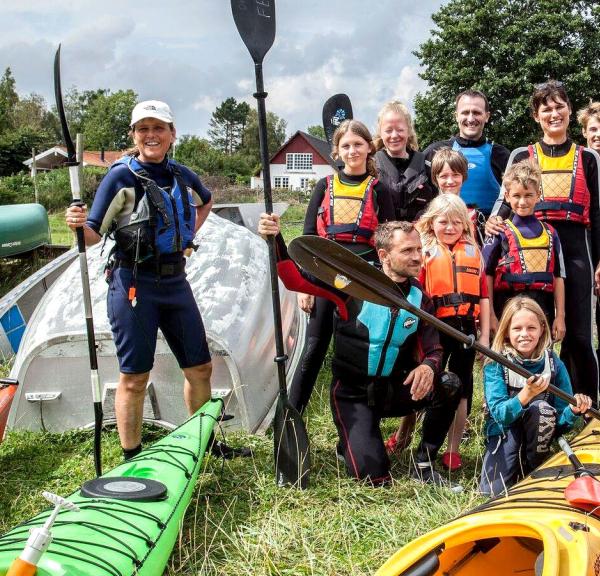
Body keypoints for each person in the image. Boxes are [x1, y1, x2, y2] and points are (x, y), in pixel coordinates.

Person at [66, 100, 248, 460]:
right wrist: (76, 223)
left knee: (200, 367)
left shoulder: (182, 175)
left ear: (171, 134)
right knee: (134, 377)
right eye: (143, 128)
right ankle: (132, 456)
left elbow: (206, 202)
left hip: (176, 282)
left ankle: (203, 442)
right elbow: (92, 234)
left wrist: (187, 237)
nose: (151, 135)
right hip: (133, 284)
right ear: (134, 135)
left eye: (158, 128)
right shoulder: (121, 177)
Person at [259, 214, 463, 489]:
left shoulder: (418, 297)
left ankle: (424, 461)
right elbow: (294, 279)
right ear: (384, 255)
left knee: (449, 384)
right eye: (407, 251)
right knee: (376, 479)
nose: (418, 257)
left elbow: (434, 349)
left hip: (392, 389)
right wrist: (275, 239)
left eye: (418, 250)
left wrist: (429, 366)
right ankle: (350, 443)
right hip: (352, 394)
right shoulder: (350, 286)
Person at [488, 81, 600, 402]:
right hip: (533, 248)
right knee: (534, 332)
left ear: (568, 109)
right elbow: (504, 201)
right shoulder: (522, 155)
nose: (554, 114)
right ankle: (533, 404)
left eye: (559, 106)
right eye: (546, 109)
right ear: (536, 116)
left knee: (579, 335)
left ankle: (586, 409)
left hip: (578, 250)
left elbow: (599, 212)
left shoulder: (589, 158)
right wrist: (494, 221)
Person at [290, 120, 395, 414]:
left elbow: (388, 241)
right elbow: (307, 237)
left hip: (361, 281)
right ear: (336, 151)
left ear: (370, 148)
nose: (352, 151)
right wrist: (303, 286)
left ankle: (354, 422)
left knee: (355, 353)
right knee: (313, 349)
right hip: (323, 278)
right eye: (346, 146)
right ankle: (290, 419)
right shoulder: (323, 186)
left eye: (358, 144)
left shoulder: (379, 190)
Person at [387, 194, 489, 471]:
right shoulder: (425, 252)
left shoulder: (473, 252)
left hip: (466, 329)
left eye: (456, 222)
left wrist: (485, 336)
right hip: (434, 329)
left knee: (463, 387)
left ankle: (452, 449)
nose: (450, 227)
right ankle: (404, 435)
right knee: (423, 381)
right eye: (443, 222)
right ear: (432, 223)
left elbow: (484, 297)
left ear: (464, 225)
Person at [480, 296, 592, 497]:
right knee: (492, 494)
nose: (525, 334)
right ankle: (515, 466)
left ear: (542, 329)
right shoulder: (495, 362)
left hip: (539, 436)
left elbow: (560, 423)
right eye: (517, 328)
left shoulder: (554, 364)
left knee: (541, 408)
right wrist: (525, 395)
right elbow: (499, 415)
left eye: (531, 328)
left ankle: (535, 465)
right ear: (506, 331)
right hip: (504, 433)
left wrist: (573, 410)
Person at [483, 159, 566, 339]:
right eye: (517, 195)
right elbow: (486, 276)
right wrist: (490, 315)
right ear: (507, 196)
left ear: (538, 195)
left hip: (542, 310)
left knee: (539, 360)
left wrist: (560, 317)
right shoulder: (499, 232)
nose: (522, 201)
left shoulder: (551, 233)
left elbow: (558, 277)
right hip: (506, 309)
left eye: (528, 195)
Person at [424, 89, 510, 217]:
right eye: (465, 112)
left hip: (489, 231)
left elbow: (514, 198)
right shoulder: (434, 152)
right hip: (447, 228)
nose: (470, 119)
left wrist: (498, 219)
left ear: (486, 116)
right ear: (456, 116)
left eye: (476, 113)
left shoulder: (501, 155)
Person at [374, 100, 436, 221]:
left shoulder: (427, 166)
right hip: (383, 236)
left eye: (400, 129)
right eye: (388, 130)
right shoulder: (370, 165)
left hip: (418, 235)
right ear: (380, 133)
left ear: (408, 130)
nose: (394, 135)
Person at [429, 147, 486, 244]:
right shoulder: (427, 215)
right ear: (436, 179)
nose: (450, 181)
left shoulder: (476, 216)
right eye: (444, 176)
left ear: (463, 177)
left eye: (455, 175)